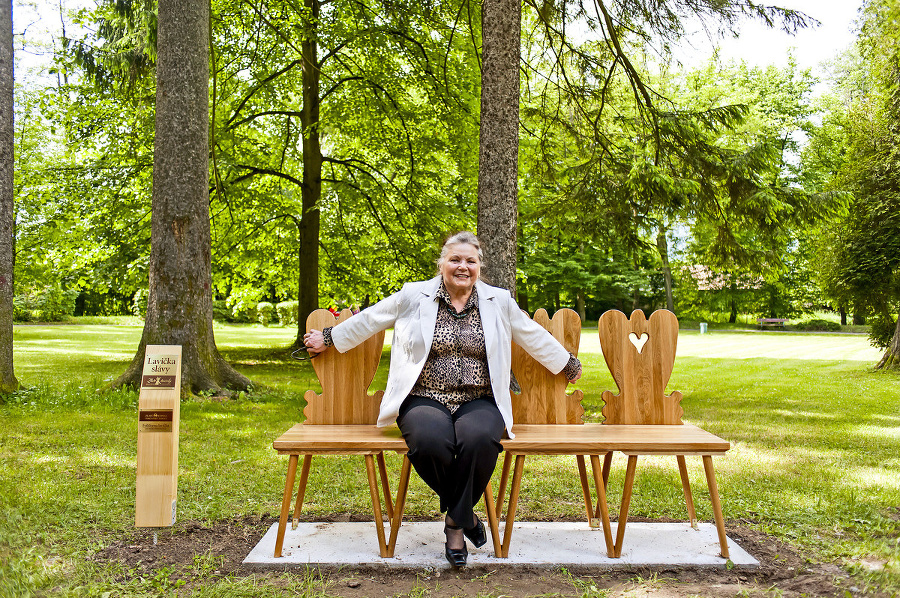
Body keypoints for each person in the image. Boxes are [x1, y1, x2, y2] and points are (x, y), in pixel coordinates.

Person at [303, 232, 581, 567]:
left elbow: (530, 333)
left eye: (470, 261)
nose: (462, 266)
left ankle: (454, 523)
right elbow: (373, 317)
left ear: (479, 267)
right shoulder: (413, 295)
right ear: (442, 263)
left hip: (479, 397)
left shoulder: (498, 300)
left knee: (480, 439)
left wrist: (565, 361)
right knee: (428, 441)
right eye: (455, 259)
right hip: (423, 396)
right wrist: (329, 337)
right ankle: (469, 518)